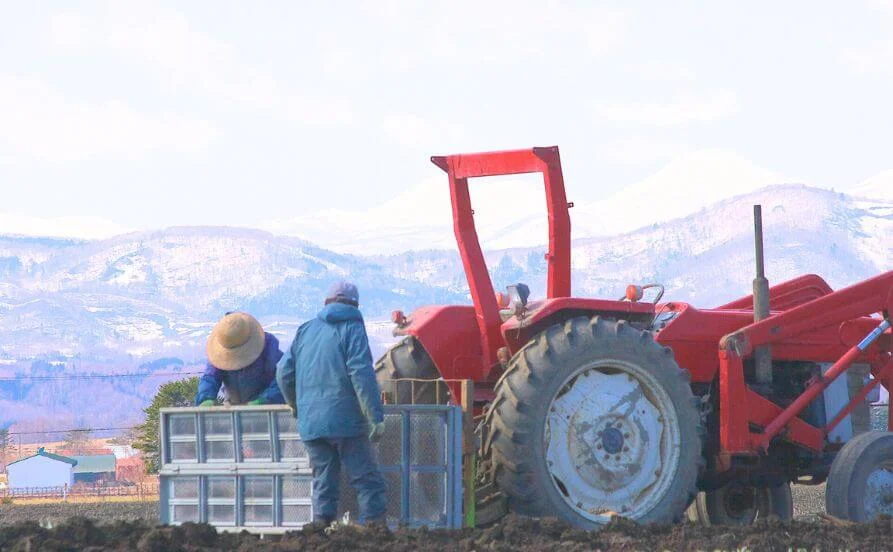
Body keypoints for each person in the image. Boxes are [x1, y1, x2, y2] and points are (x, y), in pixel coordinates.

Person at [276, 281, 387, 527]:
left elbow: (283, 371)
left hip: (311, 423)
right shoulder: (353, 328)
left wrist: (296, 405)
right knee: (366, 478)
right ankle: (375, 530)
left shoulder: (306, 329)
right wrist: (375, 417)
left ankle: (320, 526)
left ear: (326, 302)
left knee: (324, 477)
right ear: (355, 305)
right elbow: (361, 373)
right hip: (346, 421)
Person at [195, 311, 285, 406]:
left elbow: (282, 379)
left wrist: (265, 400)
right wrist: (205, 398)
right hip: (234, 408)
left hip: (269, 411)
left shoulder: (268, 348)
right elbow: (211, 377)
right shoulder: (219, 352)